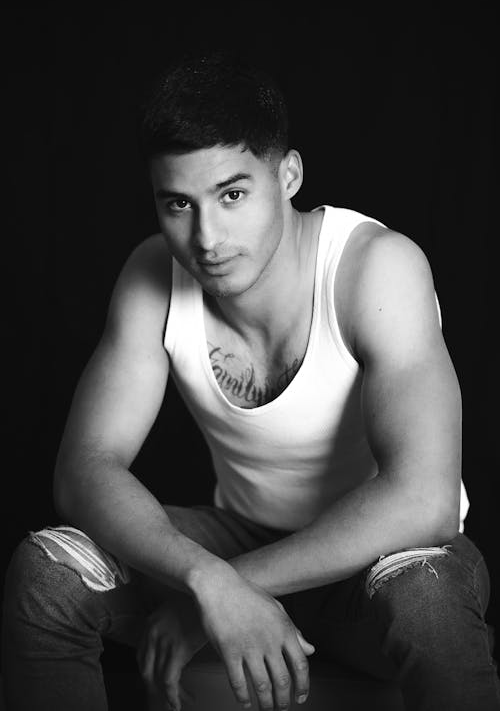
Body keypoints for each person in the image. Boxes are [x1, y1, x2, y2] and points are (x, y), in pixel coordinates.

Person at [2, 50, 499, 711]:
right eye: (178, 204)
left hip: (379, 562)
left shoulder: (374, 269)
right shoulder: (152, 276)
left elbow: (423, 499)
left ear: (287, 174)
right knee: (47, 571)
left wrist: (231, 584)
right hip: (240, 536)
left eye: (232, 195)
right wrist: (205, 578)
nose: (206, 237)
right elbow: (85, 469)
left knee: (428, 597)